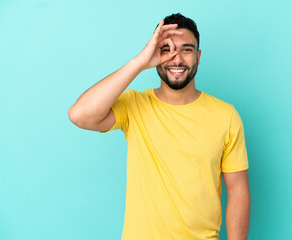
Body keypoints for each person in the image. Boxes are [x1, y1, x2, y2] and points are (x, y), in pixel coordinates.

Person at [68, 13, 250, 240]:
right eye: (167, 49)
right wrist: (140, 62)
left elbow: (238, 192)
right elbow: (79, 115)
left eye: (186, 49)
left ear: (198, 56)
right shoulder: (134, 105)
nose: (177, 59)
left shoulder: (226, 116)